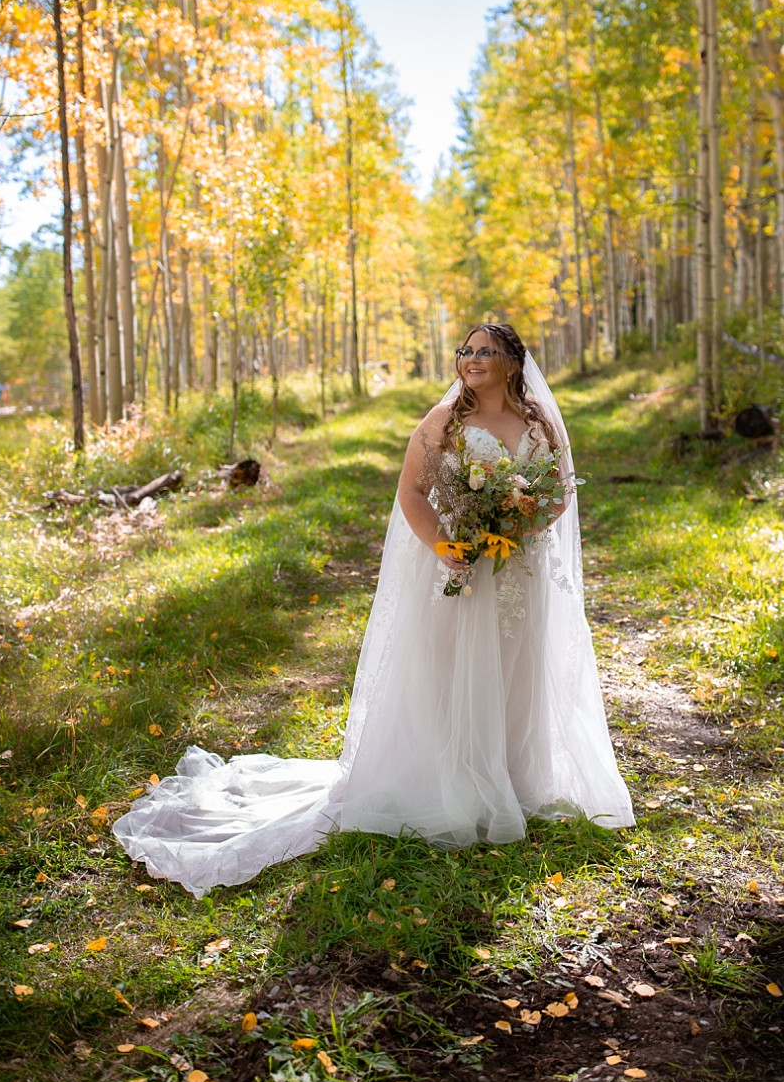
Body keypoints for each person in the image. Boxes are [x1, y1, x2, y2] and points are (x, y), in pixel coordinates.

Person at [113, 323, 634, 899]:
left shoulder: (540, 421)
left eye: (487, 351)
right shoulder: (446, 421)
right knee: (453, 669)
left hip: (519, 569)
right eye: (466, 350)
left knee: (518, 667)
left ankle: (512, 778)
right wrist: (449, 546)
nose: (473, 359)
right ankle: (451, 780)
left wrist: (515, 526)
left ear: (514, 361)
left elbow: (560, 490)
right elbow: (412, 492)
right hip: (460, 565)